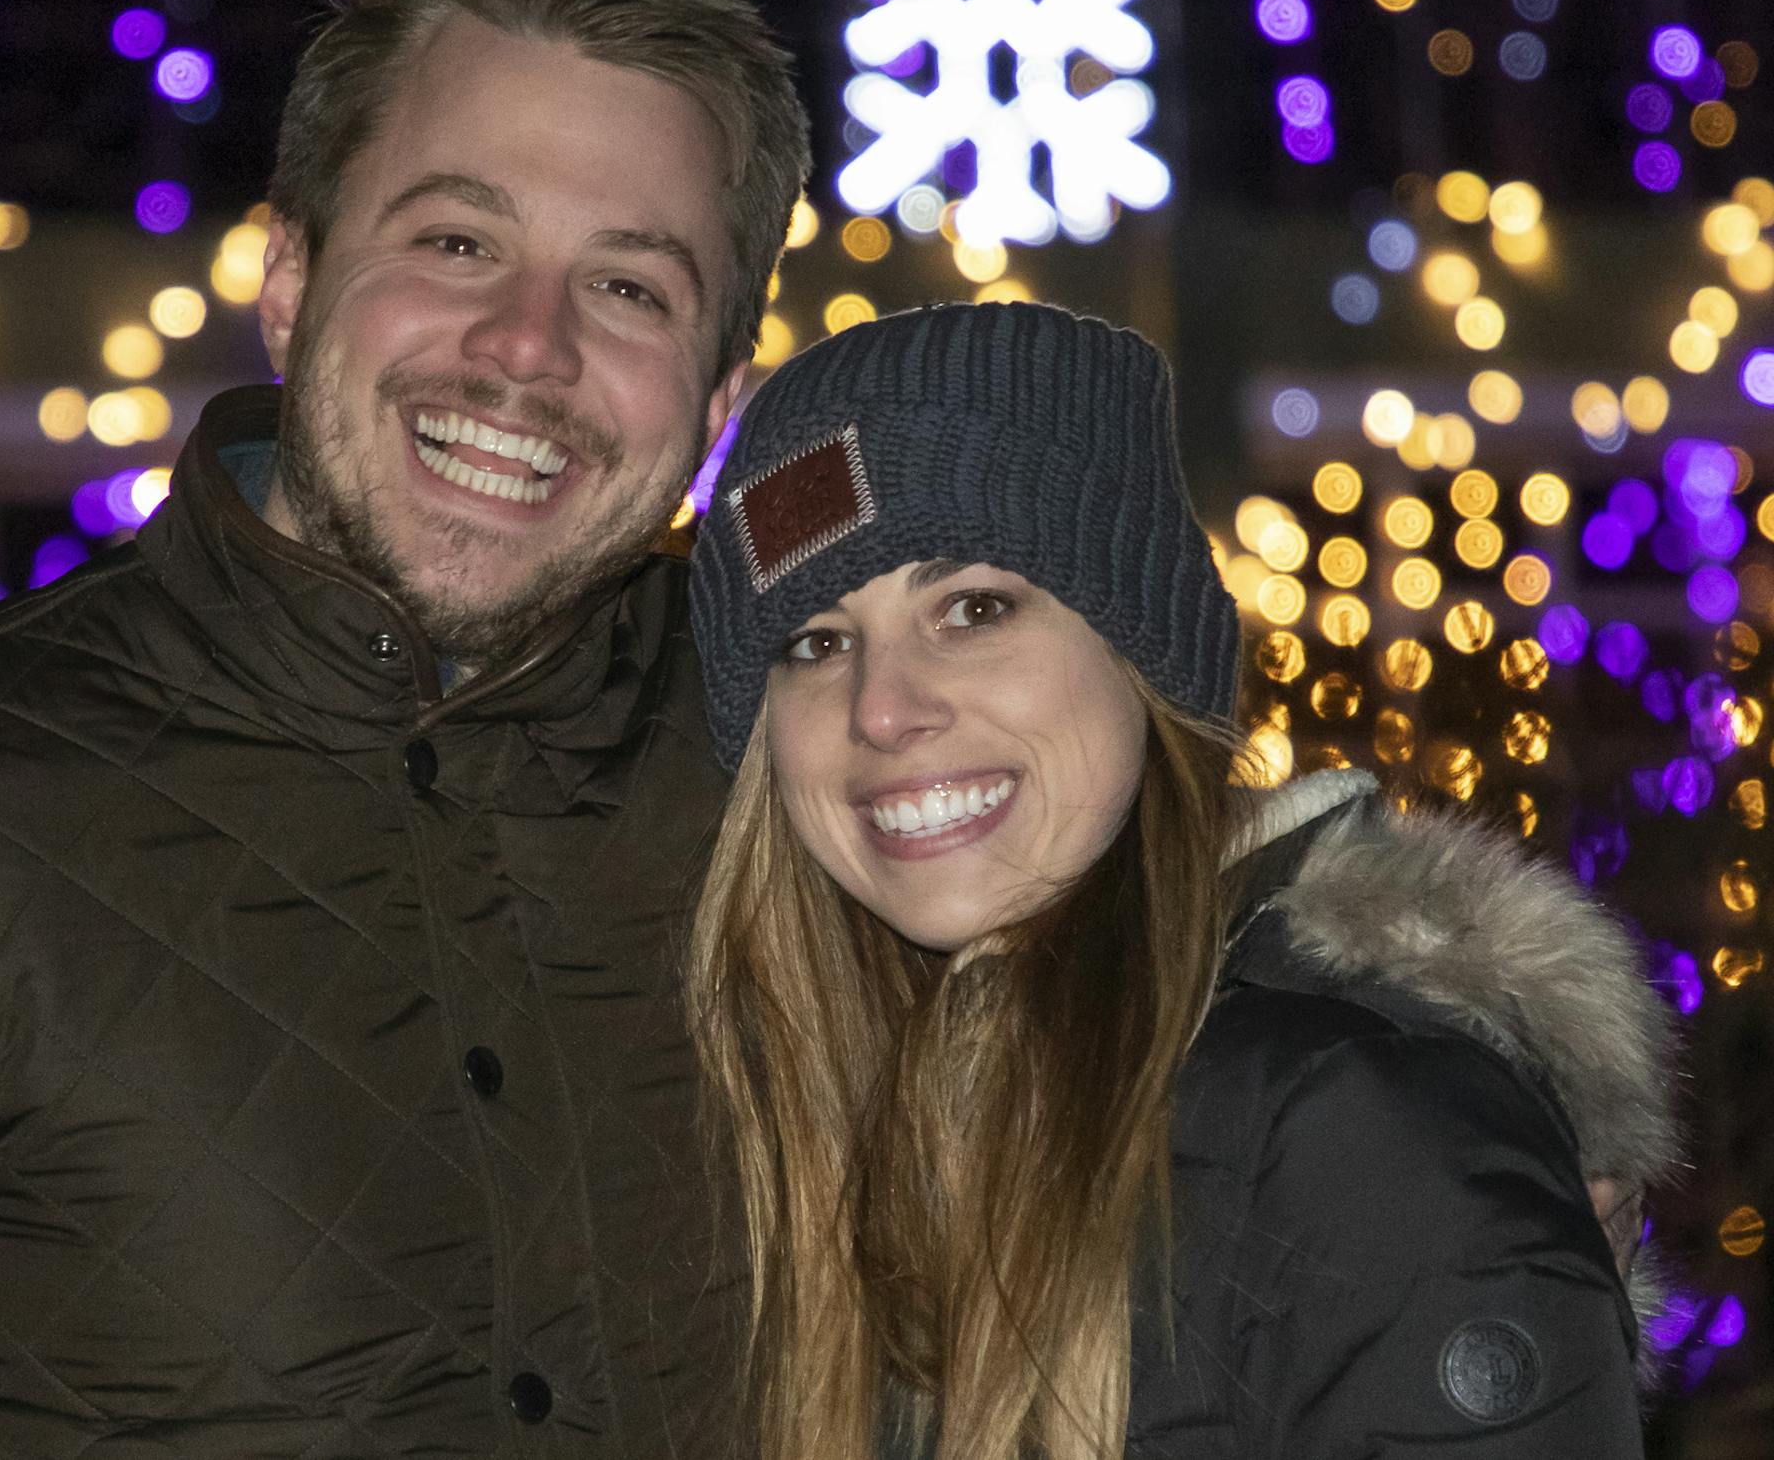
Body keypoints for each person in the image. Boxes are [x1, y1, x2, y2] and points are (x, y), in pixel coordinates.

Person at [0, 0, 808, 1454]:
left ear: (722, 399)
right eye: (457, 241)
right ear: (290, 277)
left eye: (631, 289)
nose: (525, 345)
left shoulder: (807, 781)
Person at [683, 302, 1676, 1459]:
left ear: (1142, 651)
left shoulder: (1357, 1127)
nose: (884, 708)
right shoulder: (839, 1145)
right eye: (814, 641)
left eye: (974, 608)